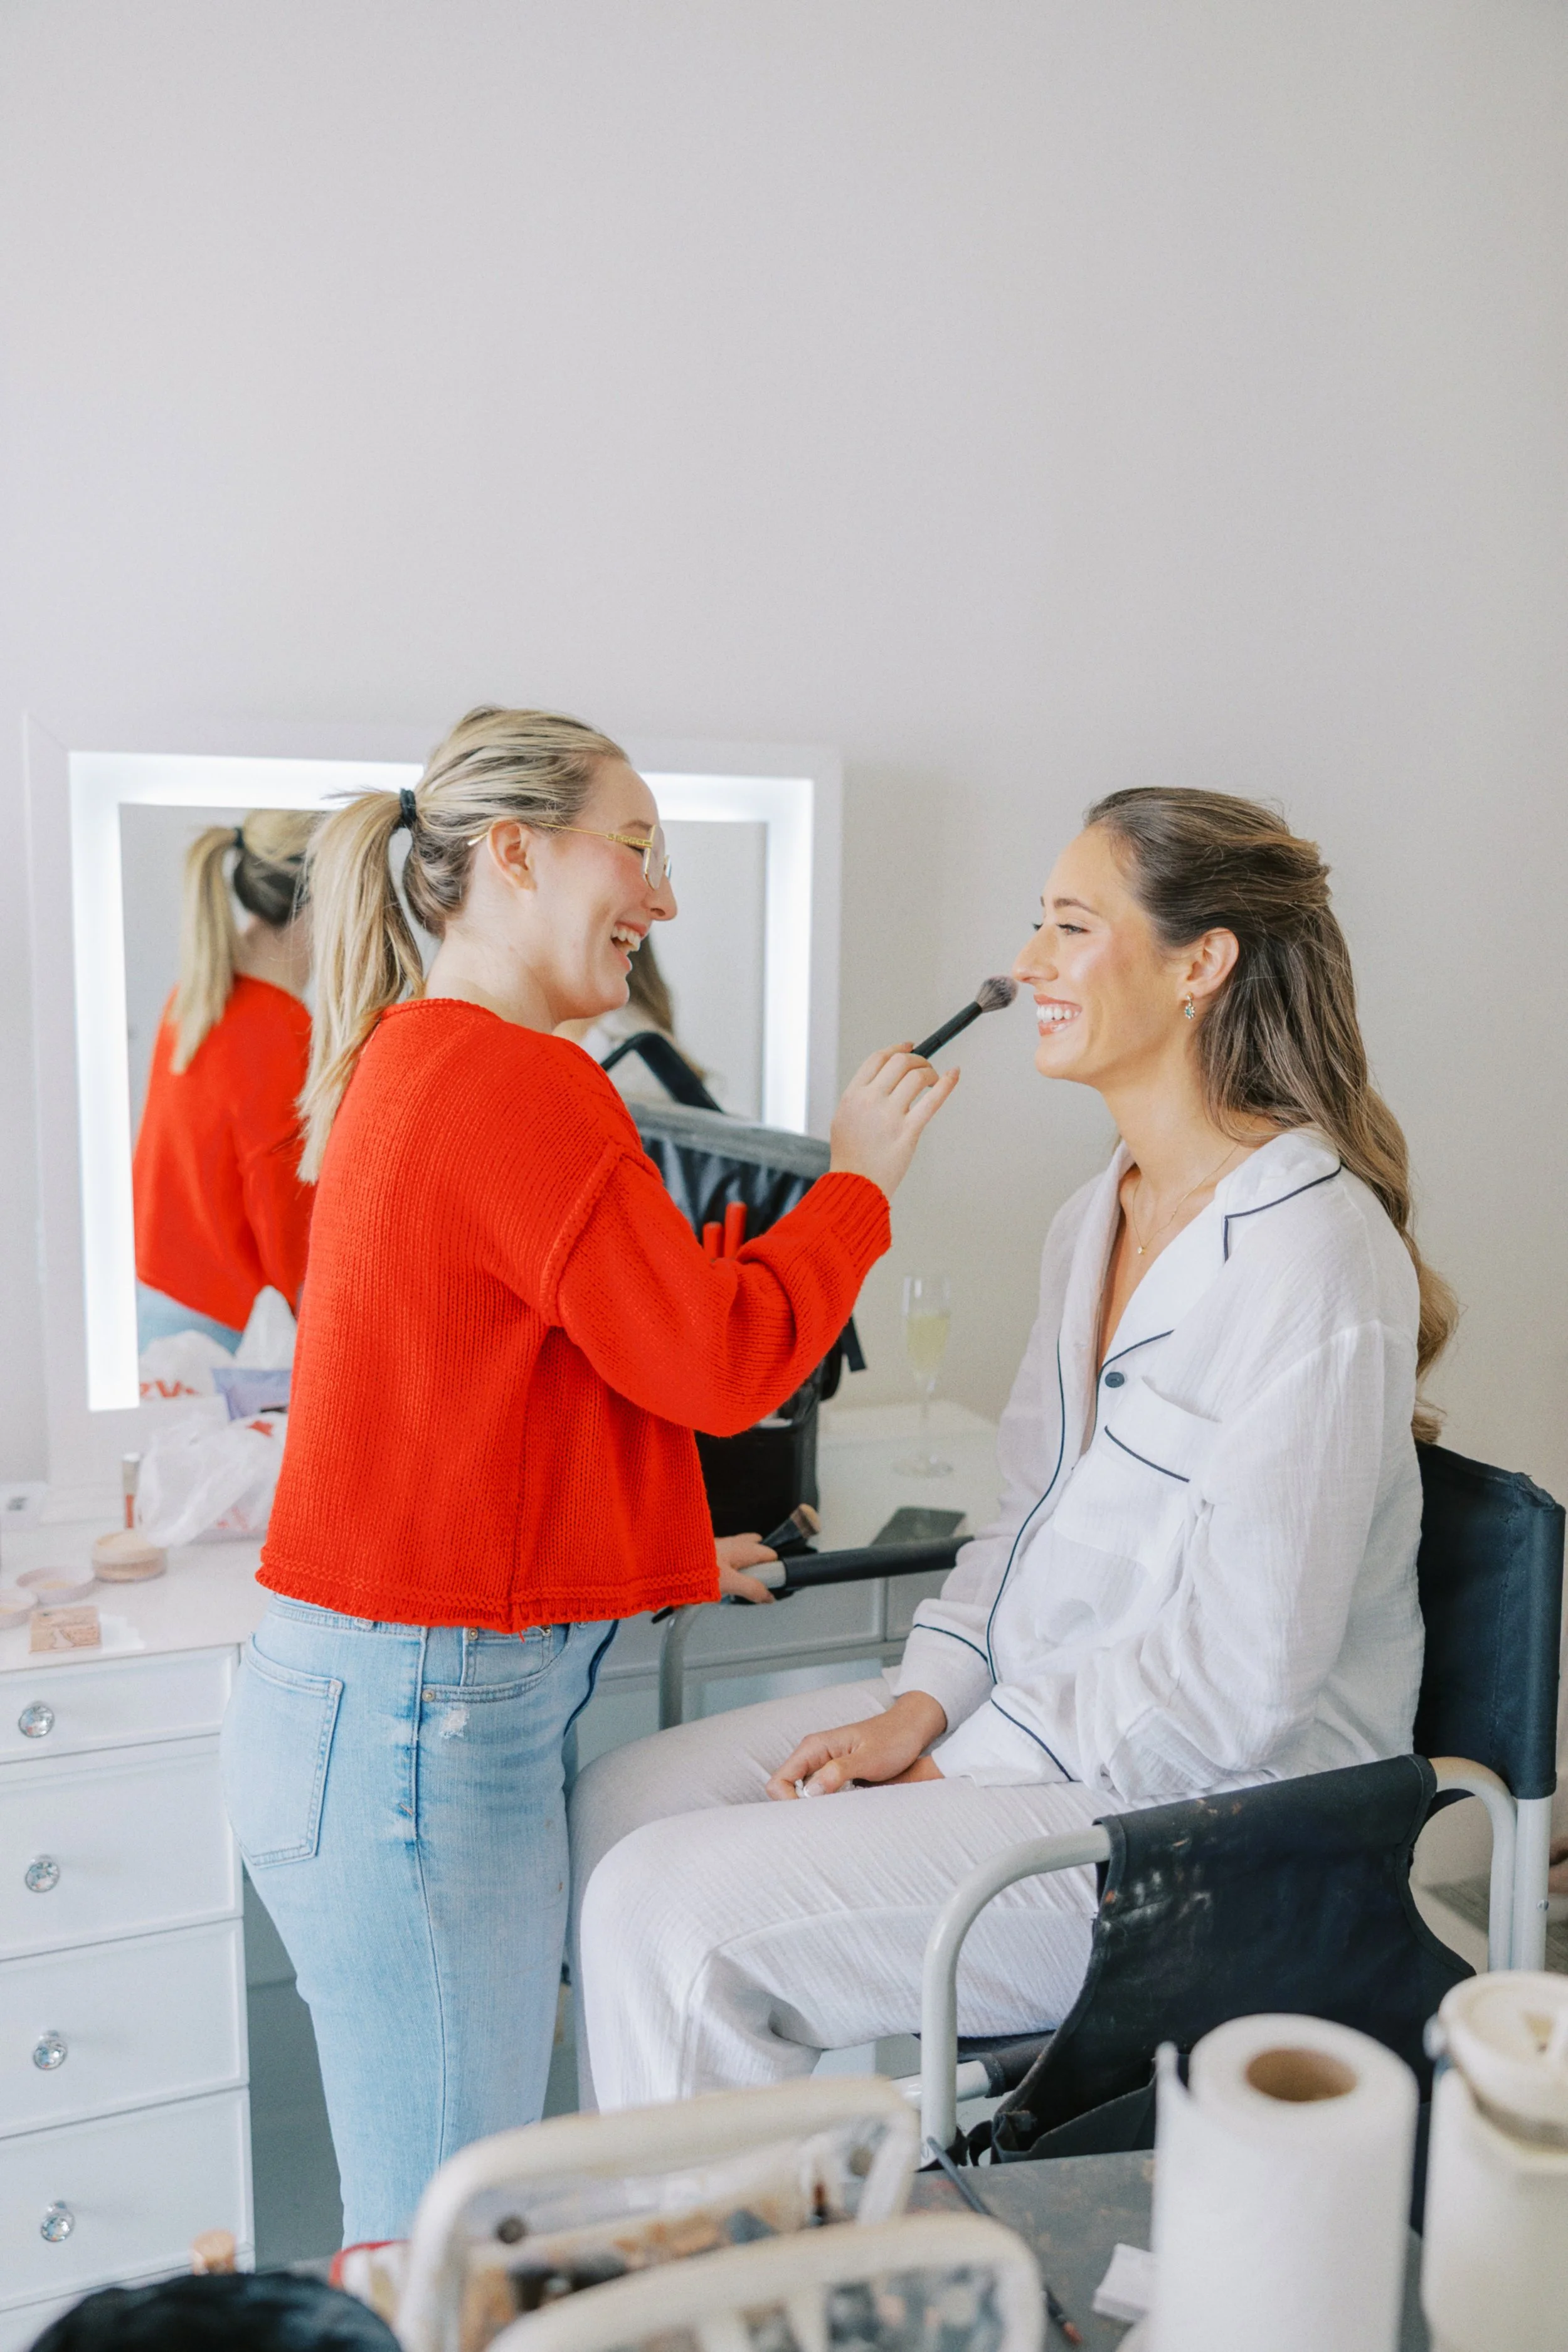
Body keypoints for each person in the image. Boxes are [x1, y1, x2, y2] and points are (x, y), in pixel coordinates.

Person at [571, 785, 1458, 2110]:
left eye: (1067, 927)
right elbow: (1020, 1525)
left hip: (1220, 1827)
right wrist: (917, 1708)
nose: (1025, 965)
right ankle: (752, 2215)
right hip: (1048, 1736)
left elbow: (1236, 1688)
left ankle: (725, 2283)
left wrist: (953, 1767)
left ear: (1199, 964)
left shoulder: (1313, 1262)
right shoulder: (1092, 1219)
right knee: (623, 1809)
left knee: (674, 1912)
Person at [218, 706, 956, 2242]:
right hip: (420, 1736)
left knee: (446, 2211)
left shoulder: (421, 1063)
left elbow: (512, 1393)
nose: (661, 897)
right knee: (444, 2236)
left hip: (381, 1717)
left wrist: (668, 1547)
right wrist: (860, 1185)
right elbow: (713, 1360)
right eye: (637, 846)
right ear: (511, 851)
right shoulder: (514, 1081)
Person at [132, 811, 317, 1351]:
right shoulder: (281, 1030)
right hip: (228, 1326)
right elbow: (280, 1203)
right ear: (321, 907)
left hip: (162, 1294)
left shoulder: (195, 996)